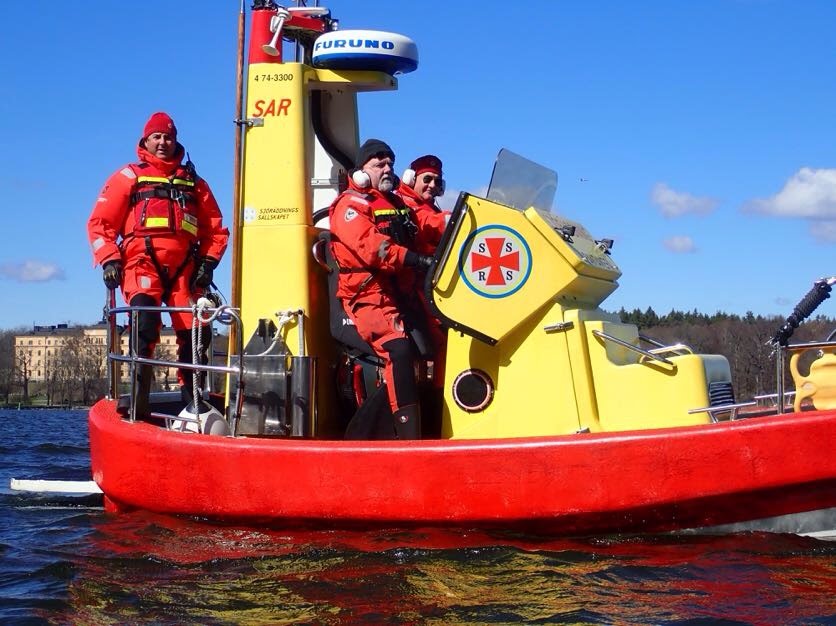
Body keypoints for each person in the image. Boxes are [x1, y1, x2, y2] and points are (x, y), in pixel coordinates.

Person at [87, 112, 229, 414]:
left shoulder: (194, 183)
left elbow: (216, 230)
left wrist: (208, 264)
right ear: (146, 141)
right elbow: (100, 224)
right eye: (157, 137)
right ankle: (137, 405)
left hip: (185, 270)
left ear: (175, 140)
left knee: (197, 333)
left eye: (168, 137)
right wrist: (110, 259)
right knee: (144, 325)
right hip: (142, 263)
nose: (163, 142)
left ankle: (195, 404)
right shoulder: (129, 177)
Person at [328, 139, 445, 439]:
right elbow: (373, 248)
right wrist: (415, 259)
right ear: (361, 171)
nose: (387, 169)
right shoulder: (349, 206)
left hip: (400, 295)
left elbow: (426, 224)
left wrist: (458, 221)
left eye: (390, 163)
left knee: (430, 349)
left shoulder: (395, 205)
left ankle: (432, 426)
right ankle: (405, 436)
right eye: (379, 164)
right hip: (369, 298)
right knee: (399, 350)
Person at [397, 155, 450, 430]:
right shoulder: (404, 205)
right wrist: (457, 218)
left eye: (436, 181)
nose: (432, 185)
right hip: (416, 290)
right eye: (426, 179)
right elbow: (429, 223)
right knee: (445, 341)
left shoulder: (429, 207)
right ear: (410, 179)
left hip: (431, 286)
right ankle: (439, 410)